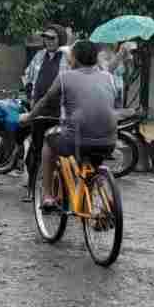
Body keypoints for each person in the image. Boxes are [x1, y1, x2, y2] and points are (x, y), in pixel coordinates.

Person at [34, 40, 118, 210]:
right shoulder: (109, 78)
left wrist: (28, 116)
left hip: (75, 139)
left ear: (75, 58)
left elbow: (45, 101)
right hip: (109, 141)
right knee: (92, 165)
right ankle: (102, 201)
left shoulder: (65, 77)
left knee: (49, 140)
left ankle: (48, 195)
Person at [22, 26, 66, 105]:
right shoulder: (39, 55)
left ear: (60, 39)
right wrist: (29, 93)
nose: (48, 41)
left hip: (59, 107)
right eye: (46, 38)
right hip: (37, 105)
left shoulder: (67, 57)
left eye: (52, 38)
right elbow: (26, 75)